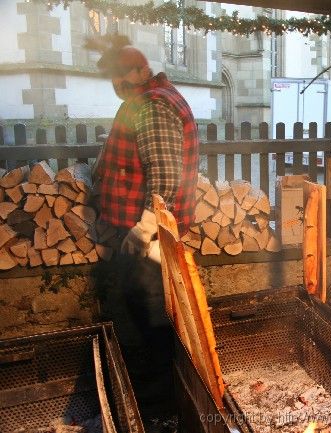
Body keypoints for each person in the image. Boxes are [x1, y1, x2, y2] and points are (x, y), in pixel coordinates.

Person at [90, 37, 198, 410]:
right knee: (143, 314)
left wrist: (144, 228)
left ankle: (161, 405)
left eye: (123, 75)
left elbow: (165, 175)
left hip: (152, 241)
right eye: (113, 78)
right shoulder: (148, 100)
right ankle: (158, 396)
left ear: (140, 71)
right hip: (145, 235)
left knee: (152, 320)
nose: (118, 84)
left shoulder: (153, 106)